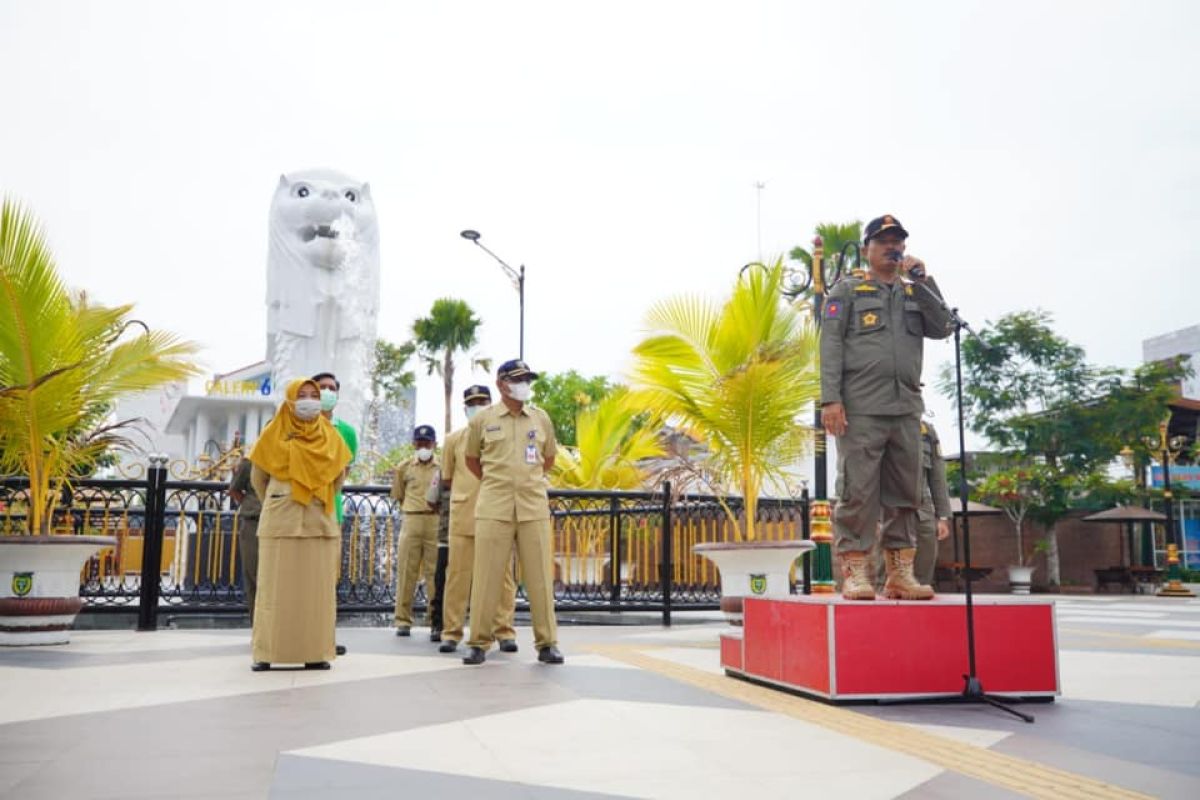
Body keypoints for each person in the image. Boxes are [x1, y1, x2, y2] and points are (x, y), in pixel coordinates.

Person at [819, 214, 952, 600]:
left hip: (906, 407)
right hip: (861, 408)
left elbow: (943, 327)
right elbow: (830, 346)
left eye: (898, 242)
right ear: (867, 250)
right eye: (884, 242)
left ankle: (899, 574)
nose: (892, 248)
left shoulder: (915, 292)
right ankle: (856, 572)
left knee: (906, 493)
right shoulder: (848, 292)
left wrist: (925, 281)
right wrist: (831, 399)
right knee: (858, 491)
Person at [462, 359, 563, 666]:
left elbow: (548, 459)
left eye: (527, 379)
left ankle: (547, 643)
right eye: (518, 379)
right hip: (494, 506)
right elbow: (471, 460)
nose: (524, 385)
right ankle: (478, 642)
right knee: (486, 577)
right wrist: (500, 482)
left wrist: (525, 481)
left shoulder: (540, 418)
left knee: (540, 579)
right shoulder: (483, 420)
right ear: (501, 384)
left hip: (533, 506)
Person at [247, 378, 352, 670]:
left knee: (316, 593)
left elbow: (338, 478)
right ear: (290, 399)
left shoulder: (331, 436)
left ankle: (316, 652)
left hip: (320, 522)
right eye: (302, 395)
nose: (308, 400)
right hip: (281, 520)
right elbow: (258, 479)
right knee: (273, 590)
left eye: (313, 395)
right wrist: (283, 495)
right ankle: (266, 653)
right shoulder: (273, 433)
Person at [438, 385, 518, 654]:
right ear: (465, 408)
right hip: (464, 516)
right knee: (457, 575)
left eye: (483, 401)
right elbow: (447, 477)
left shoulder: (506, 435)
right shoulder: (453, 440)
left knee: (503, 576)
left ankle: (504, 631)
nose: (478, 406)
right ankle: (451, 632)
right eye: (473, 402)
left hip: (498, 514)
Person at [873, 419, 953, 591]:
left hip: (922, 511)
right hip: (889, 509)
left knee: (923, 575)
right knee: (887, 575)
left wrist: (942, 516)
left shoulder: (926, 430)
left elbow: (937, 475)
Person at [313, 371, 356, 657]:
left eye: (332, 388)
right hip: (296, 511)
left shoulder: (347, 432)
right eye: (322, 388)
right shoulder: (295, 424)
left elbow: (344, 472)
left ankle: (325, 636)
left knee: (327, 579)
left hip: (331, 511)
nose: (328, 392)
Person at [392, 425, 441, 636]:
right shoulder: (403, 467)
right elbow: (398, 494)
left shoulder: (443, 467)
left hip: (435, 521)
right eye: (420, 443)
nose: (423, 447)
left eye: (427, 443)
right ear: (414, 444)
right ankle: (403, 620)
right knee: (406, 571)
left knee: (435, 574)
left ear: (434, 444)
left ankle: (435, 622)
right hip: (411, 519)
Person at [229, 456, 262, 623]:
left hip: (281, 523)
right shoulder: (250, 462)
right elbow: (234, 489)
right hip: (253, 522)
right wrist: (251, 504)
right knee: (253, 575)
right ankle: (257, 626)